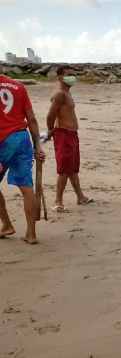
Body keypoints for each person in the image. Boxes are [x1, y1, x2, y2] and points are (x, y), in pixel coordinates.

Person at [0, 74, 45, 244]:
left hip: (2, 141)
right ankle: (31, 234)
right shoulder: (18, 86)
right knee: (26, 186)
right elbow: (31, 119)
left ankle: (6, 224)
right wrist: (37, 146)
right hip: (21, 138)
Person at [46, 65, 92, 212]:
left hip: (72, 135)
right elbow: (50, 115)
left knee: (72, 168)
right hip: (64, 134)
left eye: (74, 74)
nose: (72, 77)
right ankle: (57, 201)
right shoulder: (59, 94)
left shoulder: (67, 94)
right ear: (60, 77)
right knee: (64, 169)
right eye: (69, 75)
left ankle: (80, 196)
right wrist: (50, 130)